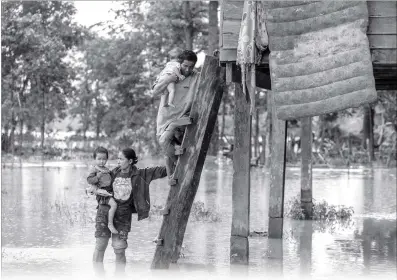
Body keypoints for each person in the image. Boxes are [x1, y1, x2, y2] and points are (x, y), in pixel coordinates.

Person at [92, 148, 174, 273]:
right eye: (117, 158)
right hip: (105, 213)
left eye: (121, 159)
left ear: (130, 161)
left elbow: (162, 171)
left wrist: (174, 161)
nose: (118, 161)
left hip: (123, 216)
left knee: (119, 249)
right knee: (100, 246)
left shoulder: (140, 175)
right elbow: (96, 187)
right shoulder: (111, 173)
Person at [152, 50, 200, 183]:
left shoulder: (196, 76)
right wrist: (169, 79)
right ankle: (172, 177)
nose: (188, 69)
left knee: (166, 142)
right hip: (164, 118)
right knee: (167, 150)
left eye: (191, 66)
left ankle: (182, 171)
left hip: (181, 120)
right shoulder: (170, 73)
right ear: (180, 64)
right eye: (185, 66)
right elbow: (155, 92)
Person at [86, 147, 118, 234]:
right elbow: (89, 180)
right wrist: (98, 177)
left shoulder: (106, 169)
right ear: (95, 159)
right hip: (102, 194)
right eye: (99, 159)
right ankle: (110, 224)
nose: (101, 161)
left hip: (108, 191)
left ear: (107, 159)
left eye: (104, 159)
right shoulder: (95, 169)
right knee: (114, 205)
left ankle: (112, 221)